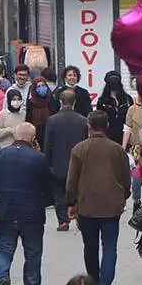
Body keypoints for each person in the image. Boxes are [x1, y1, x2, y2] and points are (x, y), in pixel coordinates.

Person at [0, 123, 53, 285]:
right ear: (33, 138)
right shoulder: (39, 158)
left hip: (6, 211)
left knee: (4, 249)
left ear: (14, 136)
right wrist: (46, 202)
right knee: (33, 253)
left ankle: (2, 276)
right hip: (32, 213)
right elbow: (49, 186)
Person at [66, 112, 132, 285]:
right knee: (110, 245)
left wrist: (71, 202)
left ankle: (93, 284)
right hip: (112, 205)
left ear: (88, 125)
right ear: (108, 125)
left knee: (90, 246)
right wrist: (124, 195)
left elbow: (72, 179)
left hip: (87, 205)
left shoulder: (79, 149)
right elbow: (125, 177)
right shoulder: (117, 150)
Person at [44, 89, 89, 232]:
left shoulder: (52, 120)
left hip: (58, 163)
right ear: (75, 102)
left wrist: (47, 163)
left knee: (59, 193)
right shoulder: (82, 120)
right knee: (78, 191)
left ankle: (63, 221)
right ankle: (80, 218)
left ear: (60, 102)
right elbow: (85, 143)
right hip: (78, 163)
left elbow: (48, 144)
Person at [122, 93, 142, 209]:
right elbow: (127, 129)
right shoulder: (132, 109)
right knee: (137, 177)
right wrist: (123, 147)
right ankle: (136, 199)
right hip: (138, 148)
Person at [95, 72, 133, 144]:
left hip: (126, 138)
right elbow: (99, 121)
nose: (114, 83)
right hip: (108, 139)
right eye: (112, 81)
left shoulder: (128, 99)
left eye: (116, 80)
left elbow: (132, 118)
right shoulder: (102, 101)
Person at [25, 78, 53, 146]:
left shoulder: (50, 100)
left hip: (49, 132)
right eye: (39, 86)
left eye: (43, 85)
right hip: (36, 133)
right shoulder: (30, 102)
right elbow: (28, 119)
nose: (42, 88)